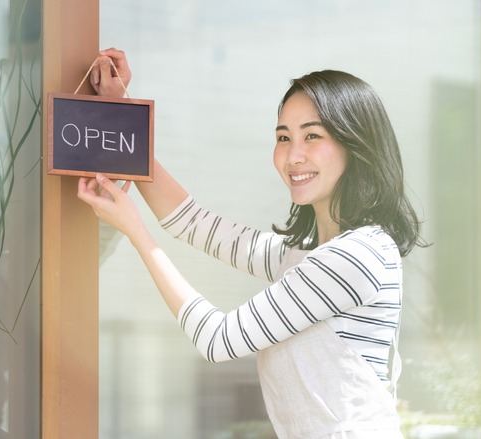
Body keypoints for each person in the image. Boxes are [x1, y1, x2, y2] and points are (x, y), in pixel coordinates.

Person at [78, 48, 425, 438]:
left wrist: (137, 234)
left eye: (312, 135)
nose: (293, 155)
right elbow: (191, 222)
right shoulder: (307, 257)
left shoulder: (358, 256)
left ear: (355, 144)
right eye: (283, 136)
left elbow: (218, 339)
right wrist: (121, 114)